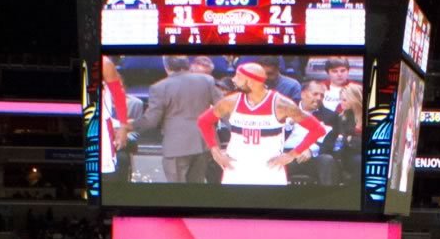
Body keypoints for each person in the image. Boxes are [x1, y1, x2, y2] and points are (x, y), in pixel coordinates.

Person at [199, 62, 329, 185]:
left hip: (269, 172)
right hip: (236, 170)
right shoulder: (231, 101)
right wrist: (215, 152)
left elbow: (318, 130)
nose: (233, 79)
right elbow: (204, 121)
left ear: (250, 81)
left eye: (238, 76)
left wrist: (292, 154)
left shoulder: (281, 104)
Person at [139, 55, 223, 184]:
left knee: (177, 193)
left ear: (166, 67)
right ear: (187, 65)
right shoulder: (207, 80)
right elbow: (223, 108)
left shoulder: (159, 87)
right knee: (196, 188)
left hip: (177, 146)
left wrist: (129, 126)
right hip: (204, 142)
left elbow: (151, 120)